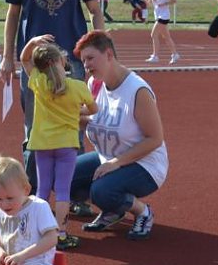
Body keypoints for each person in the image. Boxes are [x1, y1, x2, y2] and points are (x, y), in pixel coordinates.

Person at [0, 0, 105, 199]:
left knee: (73, 126)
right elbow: (12, 14)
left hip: (71, 60)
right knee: (34, 128)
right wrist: (8, 56)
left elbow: (95, 10)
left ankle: (73, 195)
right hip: (34, 63)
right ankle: (33, 195)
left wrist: (101, 48)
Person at [70, 30, 168, 240]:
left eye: (90, 58)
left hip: (145, 164)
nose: (86, 65)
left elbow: (155, 139)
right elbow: (93, 120)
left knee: (101, 190)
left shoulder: (137, 90)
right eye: (83, 60)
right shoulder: (94, 84)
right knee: (64, 175)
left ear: (108, 55)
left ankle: (143, 211)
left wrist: (116, 163)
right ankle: (113, 209)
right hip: (109, 156)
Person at [20, 35, 97, 250]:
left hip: (42, 143)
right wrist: (76, 111)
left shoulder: (38, 81)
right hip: (66, 144)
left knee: (42, 188)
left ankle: (38, 231)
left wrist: (33, 41)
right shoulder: (77, 86)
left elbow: (24, 59)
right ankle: (61, 234)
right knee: (62, 190)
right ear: (60, 62)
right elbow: (93, 110)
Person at [145, 0, 180, 64]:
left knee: (153, 34)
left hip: (164, 16)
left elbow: (174, 0)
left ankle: (155, 56)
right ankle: (175, 54)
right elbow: (149, 3)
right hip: (157, 15)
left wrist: (165, 3)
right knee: (167, 37)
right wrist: (145, 0)